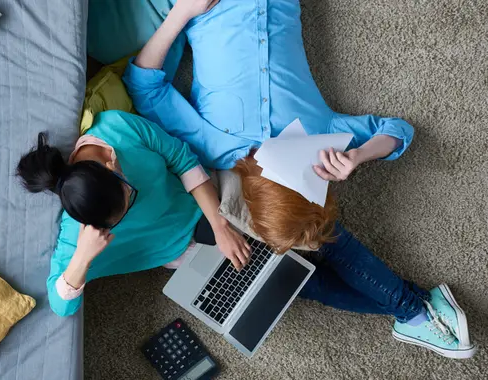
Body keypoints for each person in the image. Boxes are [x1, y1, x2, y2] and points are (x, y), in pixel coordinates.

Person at [123, 0, 476, 358]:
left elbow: (143, 85)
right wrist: (359, 155)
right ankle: (412, 310)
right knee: (317, 242)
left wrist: (183, 13)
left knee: (307, 250)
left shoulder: (209, 141)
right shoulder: (318, 136)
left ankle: (413, 312)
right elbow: (398, 131)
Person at [17, 110, 251, 318]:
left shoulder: (116, 126)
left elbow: (182, 159)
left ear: (113, 165)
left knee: (268, 220)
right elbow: (60, 306)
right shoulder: (76, 230)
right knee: (244, 293)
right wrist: (82, 257)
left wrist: (219, 226)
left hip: (203, 200)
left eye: (130, 196)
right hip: (181, 253)